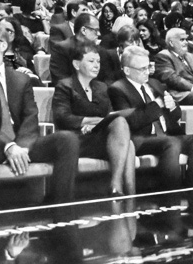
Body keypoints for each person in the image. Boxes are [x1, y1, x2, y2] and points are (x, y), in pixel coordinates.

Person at [0, 24, 80, 211]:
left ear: (3, 45)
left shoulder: (21, 79)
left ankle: (62, 211)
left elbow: (31, 116)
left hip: (21, 143)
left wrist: (22, 146)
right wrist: (9, 146)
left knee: (67, 139)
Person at [109, 46, 193, 189]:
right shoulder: (118, 89)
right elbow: (131, 121)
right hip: (141, 138)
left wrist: (172, 106)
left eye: (148, 67)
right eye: (142, 69)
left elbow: (175, 115)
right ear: (127, 70)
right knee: (171, 142)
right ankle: (171, 192)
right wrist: (156, 105)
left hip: (167, 133)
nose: (147, 72)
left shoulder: (154, 83)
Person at [52, 44, 136, 195]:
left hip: (97, 138)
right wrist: (93, 121)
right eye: (91, 61)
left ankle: (123, 189)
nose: (97, 65)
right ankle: (121, 189)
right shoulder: (65, 86)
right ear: (76, 64)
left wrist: (97, 124)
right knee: (125, 139)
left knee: (125, 137)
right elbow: (63, 117)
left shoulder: (102, 87)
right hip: (75, 140)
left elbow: (109, 116)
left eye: (98, 61)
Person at [154, 27, 193, 105]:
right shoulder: (163, 56)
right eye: (182, 40)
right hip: (179, 94)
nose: (186, 42)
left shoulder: (192, 57)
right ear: (171, 43)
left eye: (186, 39)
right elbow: (172, 78)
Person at [50, 13, 101, 85]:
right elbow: (60, 78)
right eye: (96, 30)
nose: (99, 34)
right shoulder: (62, 48)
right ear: (83, 30)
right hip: (70, 89)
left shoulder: (97, 49)